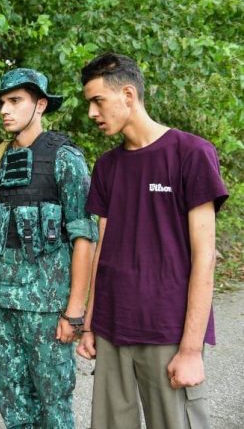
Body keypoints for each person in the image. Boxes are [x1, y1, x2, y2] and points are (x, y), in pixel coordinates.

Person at [76, 53, 229, 428]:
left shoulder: (190, 154)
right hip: (112, 329)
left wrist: (191, 349)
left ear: (128, 94)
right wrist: (91, 324)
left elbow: (205, 256)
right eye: (89, 104)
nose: (93, 113)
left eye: (98, 101)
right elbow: (103, 249)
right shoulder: (107, 166)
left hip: (166, 331)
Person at [0, 68, 97, 428]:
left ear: (40, 105)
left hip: (47, 307)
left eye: (15, 101)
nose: (4, 110)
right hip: (4, 301)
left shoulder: (65, 158)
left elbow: (84, 235)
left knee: (53, 401)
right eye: (2, 103)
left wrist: (74, 311)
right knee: (10, 396)